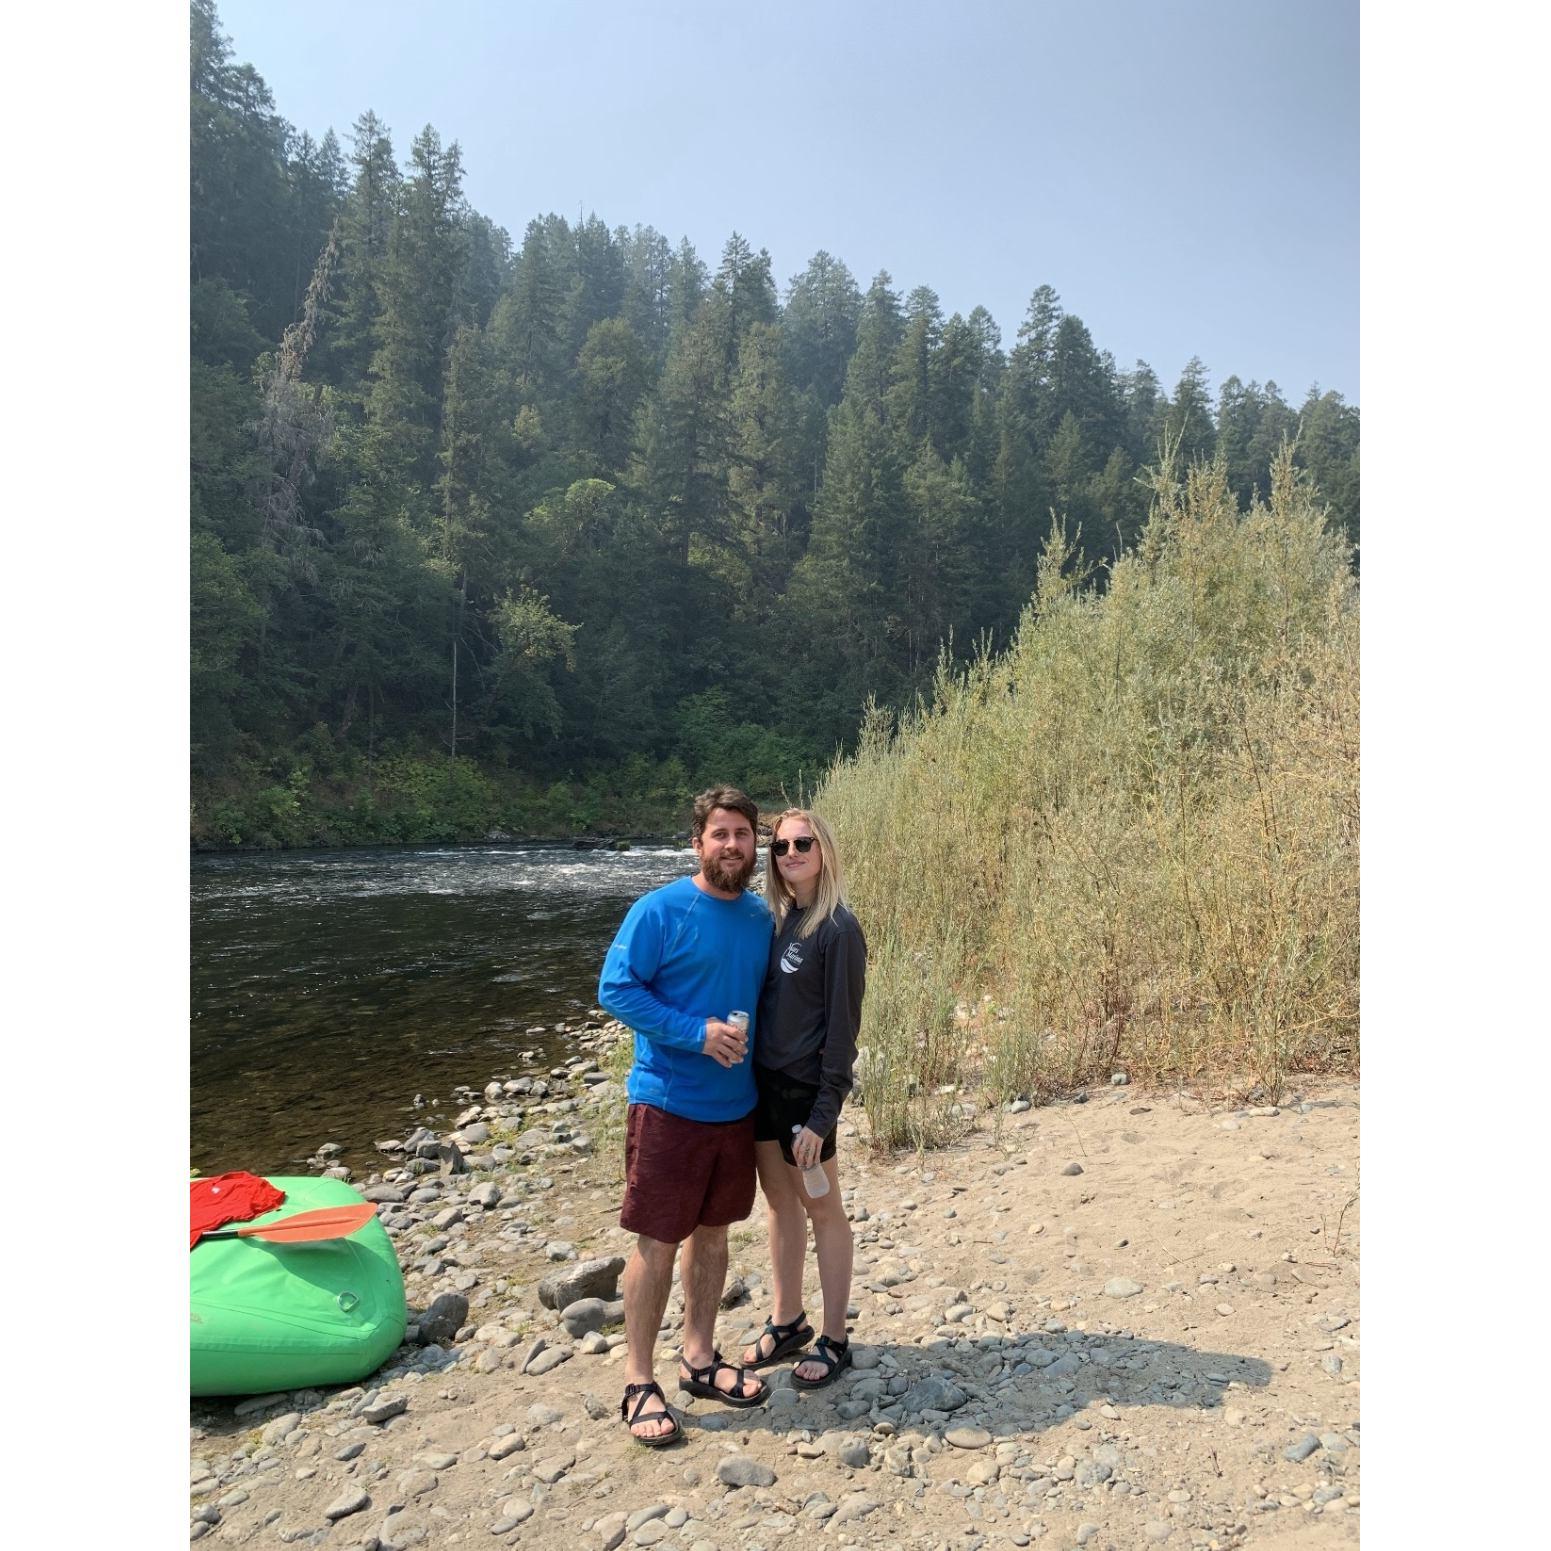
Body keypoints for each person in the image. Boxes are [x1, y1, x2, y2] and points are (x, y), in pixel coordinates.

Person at [597, 786, 775, 1448]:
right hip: (668, 1104)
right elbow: (615, 988)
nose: (732, 845)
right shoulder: (660, 909)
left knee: (714, 1235)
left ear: (755, 844)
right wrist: (695, 1033)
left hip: (736, 1107)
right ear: (697, 842)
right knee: (657, 1241)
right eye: (719, 834)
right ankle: (638, 1380)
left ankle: (699, 1357)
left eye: (742, 834)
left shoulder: (759, 917)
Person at [741, 808, 867, 1389]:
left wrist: (822, 1115)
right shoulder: (777, 920)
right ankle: (788, 1319)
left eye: (802, 843)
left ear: (824, 850)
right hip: (764, 1089)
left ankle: (835, 1338)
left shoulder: (839, 930)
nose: (790, 853)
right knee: (779, 1205)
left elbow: (843, 1033)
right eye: (780, 846)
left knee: (823, 1209)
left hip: (805, 1098)